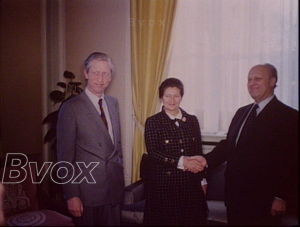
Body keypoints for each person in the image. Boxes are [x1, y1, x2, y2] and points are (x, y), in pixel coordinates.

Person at [198, 63, 299, 226]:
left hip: (263, 201)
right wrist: (205, 161)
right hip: (234, 198)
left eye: (258, 78)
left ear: (273, 81)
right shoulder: (242, 112)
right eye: (249, 79)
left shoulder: (289, 116)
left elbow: (292, 162)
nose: (252, 83)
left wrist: (281, 197)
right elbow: (228, 145)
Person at [57, 52, 125, 226]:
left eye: (105, 74)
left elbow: (116, 146)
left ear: (111, 76)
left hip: (114, 191)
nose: (100, 79)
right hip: (87, 194)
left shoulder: (113, 103)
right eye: (95, 73)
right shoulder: (71, 107)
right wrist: (72, 195)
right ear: (86, 74)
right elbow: (65, 157)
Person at [143, 78, 208, 226]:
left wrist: (202, 180)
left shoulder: (192, 120)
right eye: (167, 95)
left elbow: (199, 151)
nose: (172, 100)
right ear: (161, 97)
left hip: (190, 186)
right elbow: (153, 152)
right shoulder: (153, 122)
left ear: (181, 97)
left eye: (176, 95)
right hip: (164, 188)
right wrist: (182, 161)